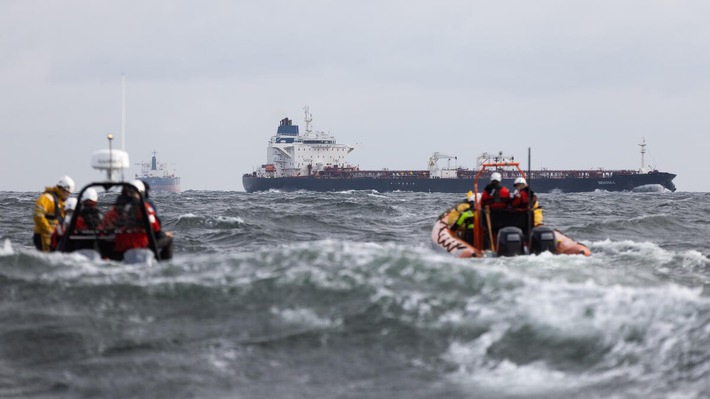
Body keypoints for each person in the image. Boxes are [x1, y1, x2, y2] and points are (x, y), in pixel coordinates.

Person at [33, 175, 75, 252]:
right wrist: (48, 229)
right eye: (67, 193)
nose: (67, 196)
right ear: (62, 189)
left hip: (53, 236)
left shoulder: (60, 201)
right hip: (43, 234)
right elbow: (38, 215)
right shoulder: (47, 198)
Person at [140, 179, 174, 260]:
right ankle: (164, 265)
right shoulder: (147, 207)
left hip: (123, 243)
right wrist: (163, 234)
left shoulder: (117, 208)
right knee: (169, 239)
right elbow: (155, 227)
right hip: (142, 242)